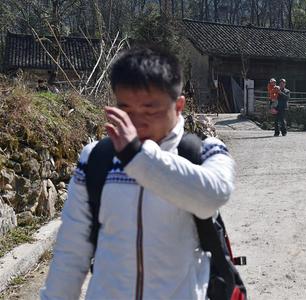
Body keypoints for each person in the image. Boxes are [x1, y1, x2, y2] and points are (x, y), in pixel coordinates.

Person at [40, 48, 235, 299]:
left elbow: (212, 196)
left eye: (150, 110)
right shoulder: (96, 158)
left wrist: (137, 157)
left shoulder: (205, 152)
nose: (136, 123)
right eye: (126, 110)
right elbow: (71, 250)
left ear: (179, 106)